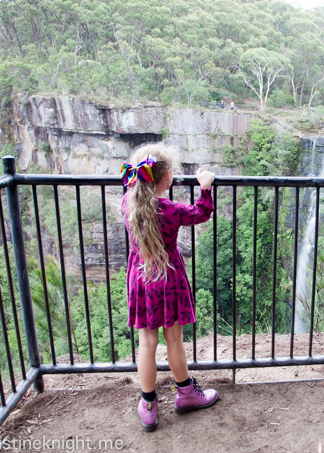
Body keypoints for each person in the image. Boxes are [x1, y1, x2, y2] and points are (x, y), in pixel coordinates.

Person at [120, 144, 218, 432]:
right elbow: (201, 213)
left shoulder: (129, 202)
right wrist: (206, 187)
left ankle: (148, 407)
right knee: (173, 340)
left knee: (146, 344)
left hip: (141, 275)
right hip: (169, 277)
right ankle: (186, 394)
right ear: (168, 178)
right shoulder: (171, 209)